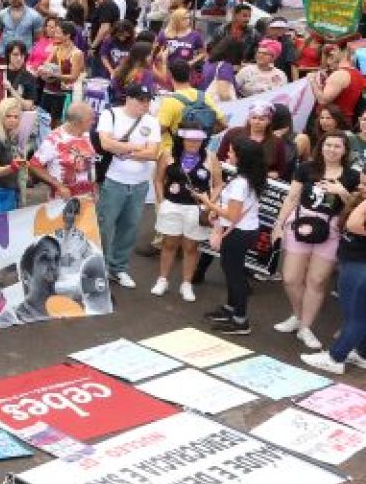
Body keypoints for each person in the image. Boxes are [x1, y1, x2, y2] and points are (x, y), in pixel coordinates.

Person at [274, 131, 356, 349]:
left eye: (337, 146)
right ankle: (298, 316)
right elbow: (292, 197)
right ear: (321, 146)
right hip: (301, 222)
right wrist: (278, 224)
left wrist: (343, 193)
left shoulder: (351, 176)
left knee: (317, 281)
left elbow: (355, 208)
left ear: (345, 150)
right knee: (291, 277)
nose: (331, 149)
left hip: (331, 228)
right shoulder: (306, 168)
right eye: (328, 145)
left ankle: (306, 327)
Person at [96, 84, 163, 287]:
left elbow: (153, 153)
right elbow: (105, 144)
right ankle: (100, 267)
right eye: (141, 100)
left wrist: (122, 150)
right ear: (129, 99)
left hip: (139, 184)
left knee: (130, 227)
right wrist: (136, 148)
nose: (145, 104)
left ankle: (119, 267)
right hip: (112, 180)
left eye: (148, 100)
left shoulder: (152, 121)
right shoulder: (110, 115)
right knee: (104, 227)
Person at [202, 135, 267, 335]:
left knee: (234, 274)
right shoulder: (250, 178)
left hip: (238, 232)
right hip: (245, 230)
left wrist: (206, 202)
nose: (228, 154)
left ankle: (241, 320)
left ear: (242, 157)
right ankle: (231, 309)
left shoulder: (240, 183)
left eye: (231, 151)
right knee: (231, 269)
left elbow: (231, 214)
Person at [302, 184, 366, 374]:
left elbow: (353, 224)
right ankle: (361, 353)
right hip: (353, 261)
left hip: (360, 265)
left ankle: (335, 357)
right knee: (357, 315)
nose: (361, 186)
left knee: (357, 316)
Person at [149, 126, 218, 303]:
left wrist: (209, 204)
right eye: (190, 139)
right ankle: (162, 279)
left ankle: (186, 284)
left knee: (191, 247)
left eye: (198, 140)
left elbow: (218, 184)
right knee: (169, 244)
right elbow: (158, 179)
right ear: (182, 140)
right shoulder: (168, 154)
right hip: (172, 204)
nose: (194, 143)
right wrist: (161, 200)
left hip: (196, 209)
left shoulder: (210, 157)